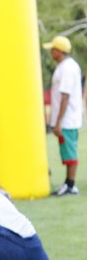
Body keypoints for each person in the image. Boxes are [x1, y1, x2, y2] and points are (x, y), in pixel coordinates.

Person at [43, 35, 83, 196]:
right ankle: (67, 183)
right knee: (66, 152)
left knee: (70, 152)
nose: (51, 52)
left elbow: (65, 96)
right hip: (65, 118)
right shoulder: (64, 66)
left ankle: (71, 185)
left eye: (52, 49)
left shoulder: (68, 68)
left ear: (59, 51)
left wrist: (58, 121)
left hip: (68, 119)